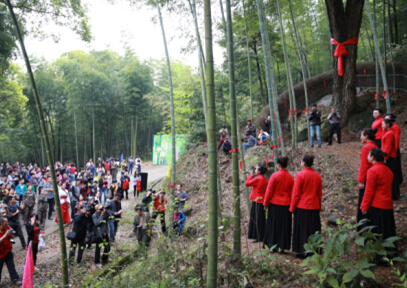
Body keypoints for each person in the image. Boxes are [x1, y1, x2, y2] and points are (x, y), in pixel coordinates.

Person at [360, 148, 396, 265]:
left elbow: (369, 191)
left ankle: (379, 256)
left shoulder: (372, 171)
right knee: (387, 230)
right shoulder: (388, 171)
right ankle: (389, 254)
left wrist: (364, 206)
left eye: (369, 155)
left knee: (377, 231)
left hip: (376, 205)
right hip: (388, 205)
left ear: (373, 157)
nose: (367, 157)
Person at [290, 155, 322, 259]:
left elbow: (296, 193)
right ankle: (314, 250)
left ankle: (303, 251)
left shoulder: (300, 175)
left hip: (302, 205)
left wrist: (292, 207)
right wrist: (319, 206)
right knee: (312, 229)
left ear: (303, 163)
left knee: (303, 229)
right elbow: (319, 193)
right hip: (314, 205)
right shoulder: (317, 176)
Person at [263, 156, 294, 252]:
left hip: (274, 204)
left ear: (279, 165)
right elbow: (292, 193)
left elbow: (269, 191)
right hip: (286, 204)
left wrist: (265, 203)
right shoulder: (290, 177)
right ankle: (282, 246)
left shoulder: (274, 176)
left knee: (273, 225)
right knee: (284, 226)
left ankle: (272, 245)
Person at [357, 128, 378, 231]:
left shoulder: (366, 148)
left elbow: (364, 165)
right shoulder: (375, 146)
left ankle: (363, 226)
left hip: (367, 177)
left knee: (364, 201)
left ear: (366, 136)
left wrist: (361, 180)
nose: (360, 137)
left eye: (362, 135)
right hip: (373, 177)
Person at [245, 165, 268, 243]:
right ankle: (261, 236)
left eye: (256, 170)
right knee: (261, 219)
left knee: (256, 219)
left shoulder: (258, 179)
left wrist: (250, 176)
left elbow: (247, 184)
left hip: (257, 201)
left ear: (259, 172)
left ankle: (256, 236)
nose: (255, 171)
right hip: (262, 202)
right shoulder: (265, 180)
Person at [381, 119, 400, 200]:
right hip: (389, 156)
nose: (381, 126)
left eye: (383, 124)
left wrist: (385, 157)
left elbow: (388, 147)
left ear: (388, 124)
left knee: (391, 175)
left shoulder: (389, 134)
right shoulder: (388, 133)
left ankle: (394, 194)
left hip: (390, 157)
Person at [0, 217, 21, 285]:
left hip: (8, 250)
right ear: (1, 223)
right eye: (6, 222)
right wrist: (5, 235)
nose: (7, 223)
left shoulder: (7, 227)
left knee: (11, 265)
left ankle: (15, 278)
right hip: (0, 254)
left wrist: (11, 234)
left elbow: (11, 234)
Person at [385, 114, 403, 185]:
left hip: (394, 149)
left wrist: (395, 148)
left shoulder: (395, 127)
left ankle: (398, 179)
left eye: (387, 118)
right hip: (390, 149)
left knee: (396, 165)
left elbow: (396, 139)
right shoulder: (388, 128)